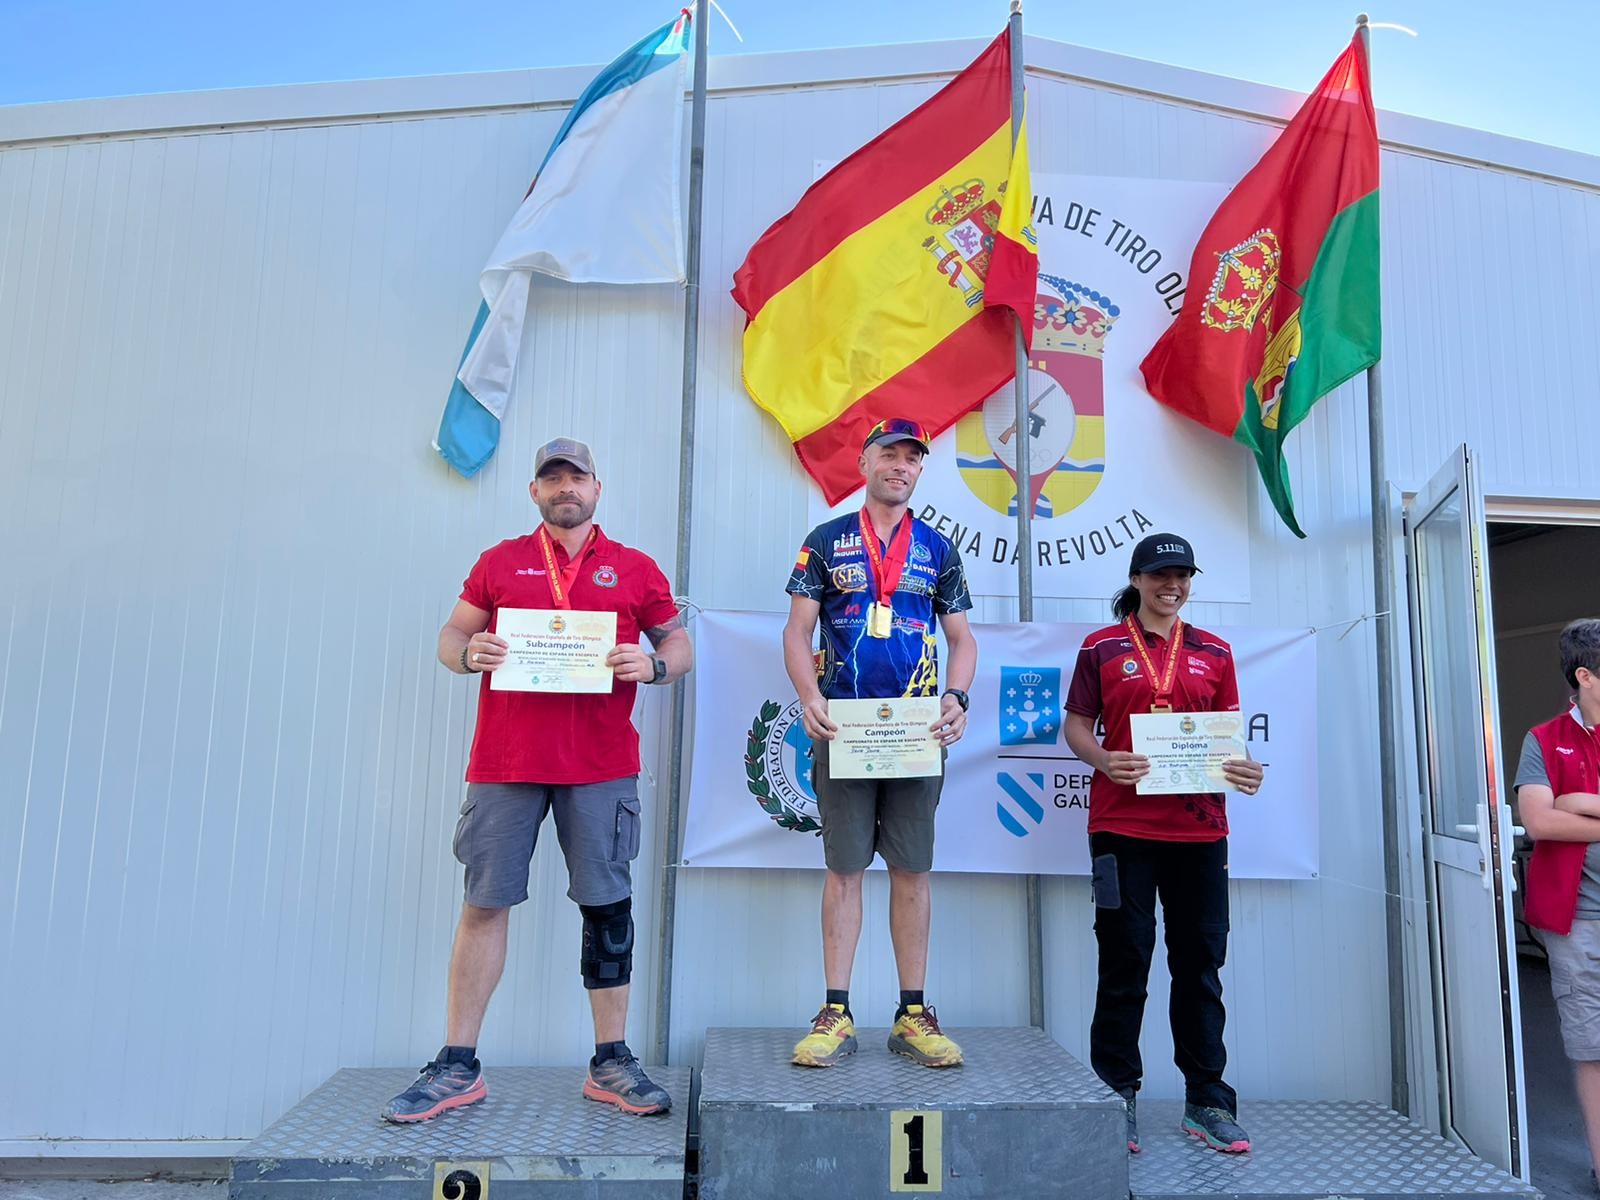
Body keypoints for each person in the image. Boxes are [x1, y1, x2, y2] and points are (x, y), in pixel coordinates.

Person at [381, 437, 692, 1123]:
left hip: (601, 764)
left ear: (596, 487)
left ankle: (611, 1060)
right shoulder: (500, 562)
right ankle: (457, 1064)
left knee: (608, 907)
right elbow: (449, 638)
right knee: (485, 904)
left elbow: (677, 643)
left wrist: (656, 666)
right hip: (506, 764)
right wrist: (468, 653)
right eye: (551, 479)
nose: (564, 488)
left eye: (575, 477)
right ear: (535, 492)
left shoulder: (634, 569)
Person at [782, 417, 977, 1069]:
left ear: (920, 470)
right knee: (843, 871)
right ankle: (835, 1012)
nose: (899, 465)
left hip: (918, 730)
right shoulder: (826, 542)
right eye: (888, 454)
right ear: (863, 462)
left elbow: (962, 640)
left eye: (911, 457)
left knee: (912, 870)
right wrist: (810, 697)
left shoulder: (938, 549)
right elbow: (796, 631)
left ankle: (912, 1014)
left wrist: (957, 698)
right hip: (847, 728)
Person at [1063, 532, 1263, 1155]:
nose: (1171, 586)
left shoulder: (1214, 650)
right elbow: (1075, 725)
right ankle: (1115, 1095)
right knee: (1124, 961)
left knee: (1199, 963)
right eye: (1159, 576)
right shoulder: (1101, 647)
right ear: (1138, 578)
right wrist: (1104, 758)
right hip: (1120, 830)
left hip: (1199, 831)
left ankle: (1207, 1099)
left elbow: (1227, 738)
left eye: (1181, 576)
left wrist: (1244, 768)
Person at [1513, 618, 1600, 1183]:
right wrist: (1562, 805)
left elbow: (1562, 809)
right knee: (1593, 1047)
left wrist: (1581, 802)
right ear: (1586, 675)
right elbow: (1540, 821)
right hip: (1579, 923)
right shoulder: (1544, 738)